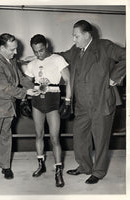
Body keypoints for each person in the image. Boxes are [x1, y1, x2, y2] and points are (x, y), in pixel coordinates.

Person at [60, 20, 126, 184]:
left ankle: (99, 171)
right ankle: (84, 166)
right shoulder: (75, 51)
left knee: (101, 139)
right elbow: (61, 56)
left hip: (101, 101)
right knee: (80, 137)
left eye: (76, 36)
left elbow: (127, 55)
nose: (73, 39)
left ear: (87, 35)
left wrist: (114, 77)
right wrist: (44, 56)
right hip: (82, 105)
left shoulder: (104, 46)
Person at [0, 33, 39, 181]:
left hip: (8, 105)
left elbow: (20, 78)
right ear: (2, 48)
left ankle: (5, 166)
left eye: (16, 49)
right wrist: (26, 93)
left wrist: (36, 87)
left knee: (6, 137)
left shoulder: (10, 60)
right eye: (12, 49)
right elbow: (6, 88)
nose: (16, 52)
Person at [22, 34, 71, 187]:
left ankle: (58, 171)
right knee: (38, 135)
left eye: (41, 50)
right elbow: (26, 82)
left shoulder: (58, 59)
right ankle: (40, 164)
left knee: (55, 138)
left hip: (53, 102)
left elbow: (69, 80)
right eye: (35, 51)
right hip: (37, 101)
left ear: (46, 46)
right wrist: (24, 99)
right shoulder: (32, 64)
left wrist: (68, 101)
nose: (38, 54)